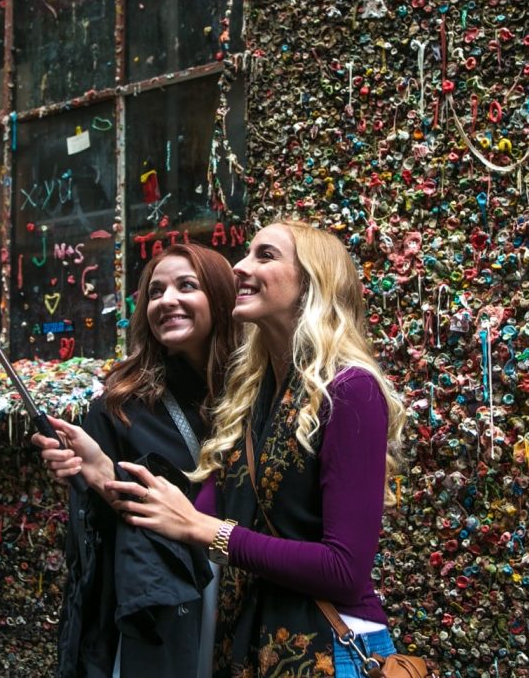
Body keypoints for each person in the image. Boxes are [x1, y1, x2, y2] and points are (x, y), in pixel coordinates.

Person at [105, 220, 406, 677]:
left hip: (330, 651)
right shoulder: (253, 396)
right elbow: (189, 517)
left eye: (264, 255)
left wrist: (212, 533)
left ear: (312, 281)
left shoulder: (351, 390)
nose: (240, 267)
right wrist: (98, 470)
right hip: (249, 650)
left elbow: (345, 569)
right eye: (246, 254)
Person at [32, 243, 238, 678]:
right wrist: (93, 478)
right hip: (165, 616)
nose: (167, 301)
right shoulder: (119, 406)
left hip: (249, 599)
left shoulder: (258, 392)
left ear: (220, 297)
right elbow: (98, 547)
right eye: (155, 292)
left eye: (187, 286)